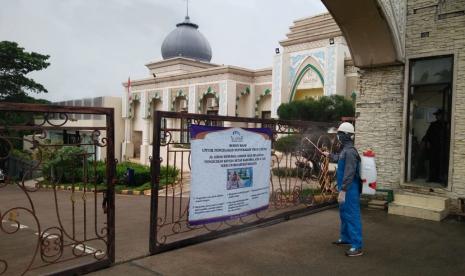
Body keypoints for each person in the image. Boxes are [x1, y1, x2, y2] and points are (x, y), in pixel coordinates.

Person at [323, 122, 363, 257]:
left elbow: (350, 172)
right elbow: (340, 159)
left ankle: (357, 245)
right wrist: (329, 155)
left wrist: (344, 190)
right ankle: (346, 238)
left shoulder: (350, 152)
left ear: (345, 136)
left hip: (349, 189)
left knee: (352, 215)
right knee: (344, 213)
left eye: (339, 134)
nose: (338, 137)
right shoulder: (345, 150)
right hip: (345, 188)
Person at [422, 108, 446, 183]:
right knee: (432, 162)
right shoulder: (433, 125)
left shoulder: (446, 125)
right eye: (437, 115)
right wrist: (427, 142)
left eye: (439, 115)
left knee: (441, 163)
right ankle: (432, 178)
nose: (437, 117)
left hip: (442, 148)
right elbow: (428, 135)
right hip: (433, 147)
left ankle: (440, 178)